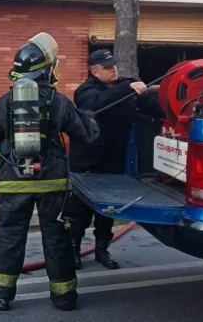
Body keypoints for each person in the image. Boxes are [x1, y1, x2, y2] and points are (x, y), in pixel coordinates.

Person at [0, 33, 100, 312]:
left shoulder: (7, 101)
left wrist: (6, 150)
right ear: (48, 69)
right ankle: (64, 297)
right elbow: (85, 134)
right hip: (53, 183)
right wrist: (91, 119)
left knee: (9, 237)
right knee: (57, 238)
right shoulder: (58, 102)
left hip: (13, 183)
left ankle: (1, 295)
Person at [67, 49, 163, 270]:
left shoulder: (122, 88)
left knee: (108, 211)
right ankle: (74, 250)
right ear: (95, 71)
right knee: (80, 210)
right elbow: (97, 104)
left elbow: (150, 105)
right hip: (88, 162)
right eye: (108, 67)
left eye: (114, 66)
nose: (114, 70)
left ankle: (102, 249)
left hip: (114, 160)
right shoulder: (86, 91)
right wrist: (127, 86)